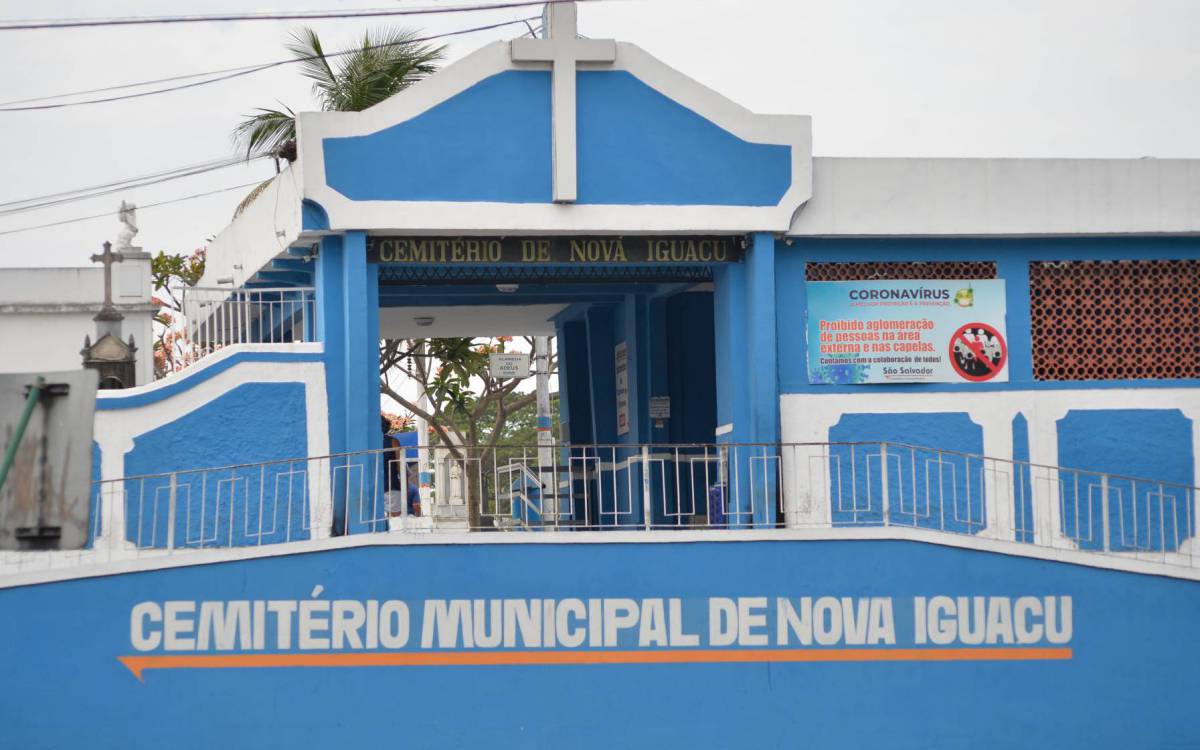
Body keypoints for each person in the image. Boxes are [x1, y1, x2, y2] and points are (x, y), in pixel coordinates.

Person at [382, 416, 421, 517]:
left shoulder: (367, 442)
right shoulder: (393, 442)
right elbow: (401, 467)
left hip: (372, 486)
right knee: (394, 519)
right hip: (391, 486)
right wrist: (405, 488)